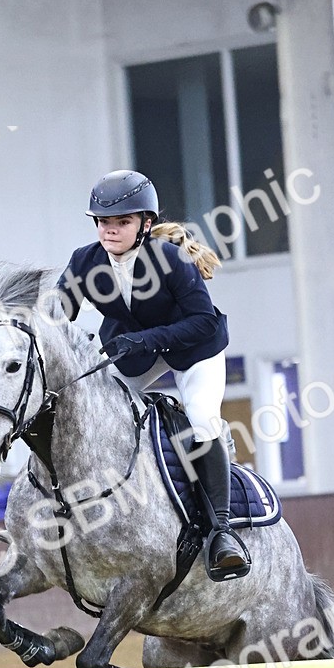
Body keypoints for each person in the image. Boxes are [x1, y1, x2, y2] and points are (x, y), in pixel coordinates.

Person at [56, 169, 249, 579]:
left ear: (145, 224)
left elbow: (201, 321)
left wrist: (144, 340)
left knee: (201, 419)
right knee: (93, 411)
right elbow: (57, 317)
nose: (110, 230)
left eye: (121, 222)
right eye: (104, 222)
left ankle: (222, 532)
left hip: (194, 347)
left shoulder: (171, 259)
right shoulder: (84, 261)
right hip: (131, 351)